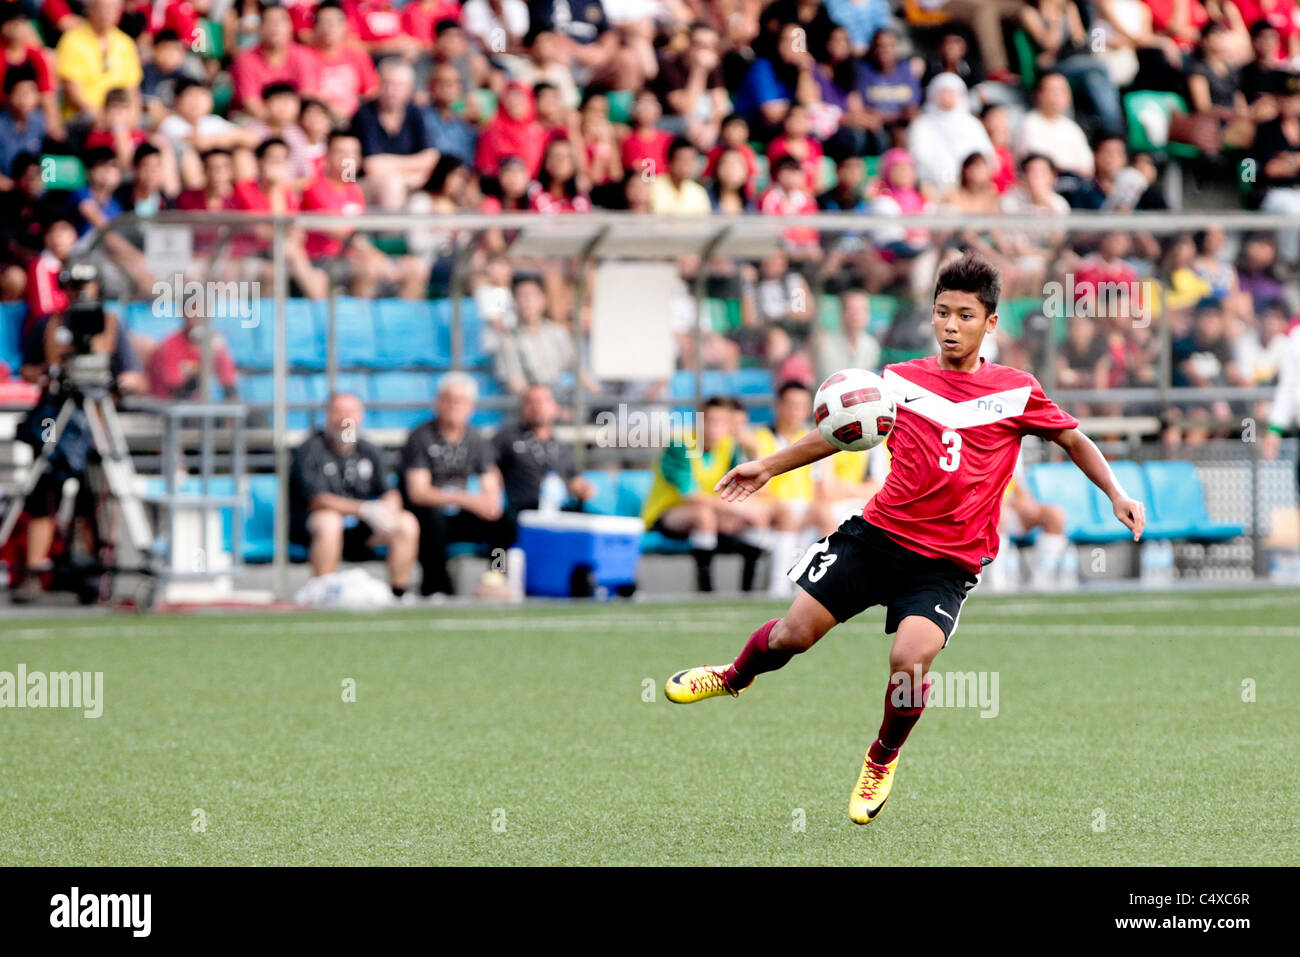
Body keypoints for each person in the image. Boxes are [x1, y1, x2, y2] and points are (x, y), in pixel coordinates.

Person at [663, 252, 1146, 825]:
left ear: (991, 323)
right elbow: (840, 434)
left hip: (945, 564)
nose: (950, 325)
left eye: (965, 315)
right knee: (792, 636)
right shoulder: (898, 381)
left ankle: (882, 757)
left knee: (909, 660)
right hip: (876, 538)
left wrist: (1116, 492)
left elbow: (1076, 441)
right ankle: (732, 677)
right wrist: (769, 465)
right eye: (942, 312)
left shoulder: (1017, 391)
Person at [289, 392, 420, 599]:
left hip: (362, 530)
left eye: (350, 412)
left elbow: (389, 491)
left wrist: (388, 507)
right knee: (329, 521)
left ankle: (398, 593)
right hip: (316, 528)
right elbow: (317, 499)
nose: (344, 419)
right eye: (338, 411)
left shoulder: (369, 450)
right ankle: (324, 592)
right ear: (327, 415)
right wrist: (364, 509)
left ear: (360, 416)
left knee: (406, 523)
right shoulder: (309, 450)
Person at [401, 372, 514, 597]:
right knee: (433, 520)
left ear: (471, 406)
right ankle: (436, 587)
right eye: (448, 399)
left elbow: (490, 482)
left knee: (502, 522)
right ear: (438, 402)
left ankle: (496, 577)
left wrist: (488, 502)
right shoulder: (421, 437)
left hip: (460, 511)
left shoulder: (476, 439)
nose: (454, 405)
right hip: (429, 512)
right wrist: (465, 499)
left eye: (460, 400)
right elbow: (419, 492)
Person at [492, 383, 594, 518]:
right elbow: (488, 469)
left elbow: (576, 480)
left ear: (555, 407)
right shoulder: (506, 438)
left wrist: (583, 489)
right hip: (523, 515)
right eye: (531, 401)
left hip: (560, 513)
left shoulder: (561, 446)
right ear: (522, 407)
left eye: (543, 401)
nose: (537, 406)